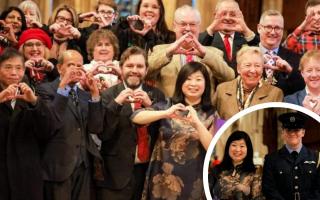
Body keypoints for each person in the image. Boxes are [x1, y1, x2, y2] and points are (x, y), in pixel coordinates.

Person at [87, 46, 165, 200]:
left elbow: (162, 133)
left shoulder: (157, 95)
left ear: (146, 69)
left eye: (139, 66)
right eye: (129, 66)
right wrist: (116, 104)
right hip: (114, 176)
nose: (134, 70)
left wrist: (150, 107)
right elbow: (103, 134)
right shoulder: (109, 95)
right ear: (121, 68)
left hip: (148, 172)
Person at [131, 61, 217, 199]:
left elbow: (214, 149)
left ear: (206, 84)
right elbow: (135, 117)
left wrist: (197, 123)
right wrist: (165, 113)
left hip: (195, 179)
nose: (193, 84)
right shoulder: (167, 104)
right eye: (188, 79)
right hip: (162, 178)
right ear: (180, 82)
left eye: (198, 79)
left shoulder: (213, 113)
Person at [36, 50, 101, 200]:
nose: (75, 69)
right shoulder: (45, 90)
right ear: (59, 68)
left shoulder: (85, 94)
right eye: (70, 65)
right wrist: (64, 84)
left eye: (79, 65)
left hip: (83, 166)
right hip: (58, 168)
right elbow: (50, 123)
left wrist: (95, 94)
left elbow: (95, 128)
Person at [0, 48, 56, 200]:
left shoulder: (31, 94)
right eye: (8, 67)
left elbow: (48, 131)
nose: (14, 73)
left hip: (26, 174)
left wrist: (34, 103)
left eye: (19, 68)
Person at [147, 5, 234, 98]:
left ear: (199, 27)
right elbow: (145, 73)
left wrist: (205, 54)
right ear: (174, 26)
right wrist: (169, 53)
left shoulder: (214, 53)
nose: (188, 29)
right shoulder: (160, 50)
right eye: (183, 24)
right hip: (169, 109)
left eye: (192, 24)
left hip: (204, 110)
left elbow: (229, 78)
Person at [214, 46, 283, 120]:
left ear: (262, 69)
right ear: (238, 68)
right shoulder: (222, 90)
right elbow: (214, 121)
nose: (253, 70)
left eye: (257, 66)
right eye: (248, 65)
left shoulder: (275, 94)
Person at [262, 112, 320, 200]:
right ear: (283, 133)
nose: (292, 133)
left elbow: (318, 188)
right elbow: (268, 189)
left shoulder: (316, 157)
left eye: (296, 130)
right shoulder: (271, 159)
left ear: (303, 132)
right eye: (288, 130)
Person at [256, 9, 305, 96]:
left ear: (282, 31)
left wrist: (290, 71)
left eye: (277, 28)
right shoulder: (245, 55)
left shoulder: (296, 59)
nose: (273, 32)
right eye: (268, 27)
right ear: (259, 28)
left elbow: (303, 89)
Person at [199, 0, 258, 70]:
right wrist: (212, 28)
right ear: (215, 15)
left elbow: (261, 50)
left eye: (232, 14)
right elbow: (197, 48)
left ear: (240, 15)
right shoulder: (207, 37)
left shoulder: (246, 37)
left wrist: (245, 30)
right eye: (224, 14)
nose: (228, 18)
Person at [210, 131, 264, 199]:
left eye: (242, 146)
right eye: (234, 145)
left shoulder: (255, 171)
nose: (237, 149)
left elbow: (258, 197)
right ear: (228, 147)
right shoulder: (216, 169)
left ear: (248, 149)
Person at [285, 50, 320, 115]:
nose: (314, 75)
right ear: (302, 73)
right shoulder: (289, 101)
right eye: (309, 70)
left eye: (318, 70)